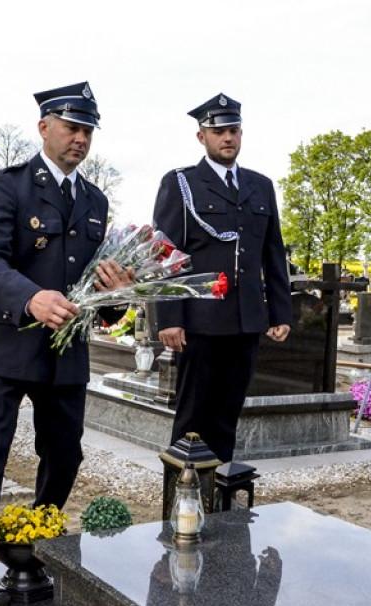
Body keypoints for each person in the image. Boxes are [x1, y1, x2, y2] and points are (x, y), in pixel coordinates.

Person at [0, 82, 131, 606]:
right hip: (5, 346)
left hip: (65, 356)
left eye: (88, 130)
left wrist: (116, 297)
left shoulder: (95, 201)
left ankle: (32, 547)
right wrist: (31, 297)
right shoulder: (9, 186)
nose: (80, 139)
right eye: (72, 127)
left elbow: (98, 297)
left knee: (65, 455)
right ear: (44, 126)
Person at [152, 93, 293, 463]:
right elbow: (164, 254)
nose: (227, 138)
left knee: (227, 417)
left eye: (233, 130)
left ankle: (220, 506)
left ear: (241, 134)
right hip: (199, 323)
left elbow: (272, 252)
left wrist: (280, 312)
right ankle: (182, 508)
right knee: (192, 420)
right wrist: (168, 318)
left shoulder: (259, 186)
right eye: (218, 132)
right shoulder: (181, 183)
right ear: (202, 137)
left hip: (245, 323)